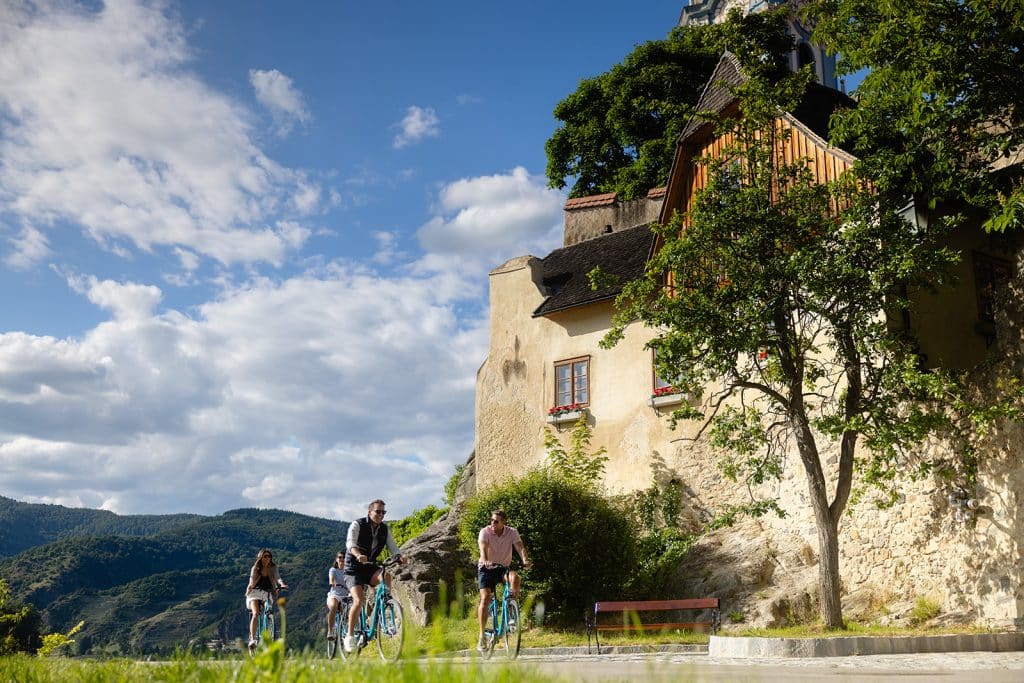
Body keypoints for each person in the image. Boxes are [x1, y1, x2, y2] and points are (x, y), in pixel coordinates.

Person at [342, 499, 406, 653]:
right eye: (378, 511)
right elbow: (350, 544)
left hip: (369, 566)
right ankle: (349, 636)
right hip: (354, 567)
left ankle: (385, 605)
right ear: (369, 512)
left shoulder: (384, 529)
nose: (381, 515)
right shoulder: (357, 524)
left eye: (383, 512)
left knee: (386, 576)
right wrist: (358, 554)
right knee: (358, 600)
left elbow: (393, 548)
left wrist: (400, 557)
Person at [476, 509, 531, 652]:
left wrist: (525, 560)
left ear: (503, 523)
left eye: (496, 521)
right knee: (486, 597)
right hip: (486, 568)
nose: (492, 523)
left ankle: (511, 613)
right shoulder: (485, 531)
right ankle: (482, 636)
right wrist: (486, 559)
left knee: (515, 578)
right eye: (492, 520)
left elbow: (520, 546)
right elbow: (483, 547)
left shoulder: (512, 532)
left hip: (502, 568)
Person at [245, 548, 287, 649]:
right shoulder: (255, 568)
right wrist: (250, 586)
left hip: (266, 593)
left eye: (269, 556)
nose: (267, 558)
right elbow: (251, 580)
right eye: (265, 556)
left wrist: (282, 584)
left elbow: (277, 577)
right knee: (255, 613)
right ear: (260, 557)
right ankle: (253, 639)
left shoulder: (273, 567)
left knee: (268, 609)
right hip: (254, 593)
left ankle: (268, 621)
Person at [326, 551, 348, 639]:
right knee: (333, 606)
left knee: (347, 613)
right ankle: (330, 631)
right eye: (340, 557)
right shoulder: (333, 570)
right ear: (336, 559)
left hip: (346, 596)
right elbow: (331, 578)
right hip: (334, 595)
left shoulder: (348, 570)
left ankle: (346, 633)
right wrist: (332, 583)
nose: (342, 559)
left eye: (344, 557)